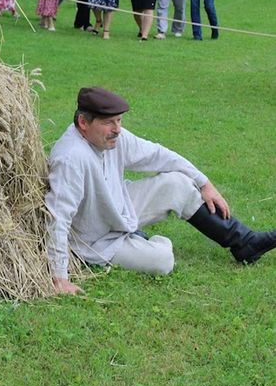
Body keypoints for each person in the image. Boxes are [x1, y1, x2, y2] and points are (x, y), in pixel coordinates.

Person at [46, 86, 276, 294]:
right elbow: (58, 216)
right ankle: (138, 238)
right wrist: (60, 277)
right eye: (109, 122)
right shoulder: (71, 158)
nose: (117, 129)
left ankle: (245, 242)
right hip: (94, 240)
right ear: (83, 123)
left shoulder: (113, 137)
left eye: (119, 121)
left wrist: (204, 183)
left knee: (178, 184)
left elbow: (158, 155)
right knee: (163, 260)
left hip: (118, 208)